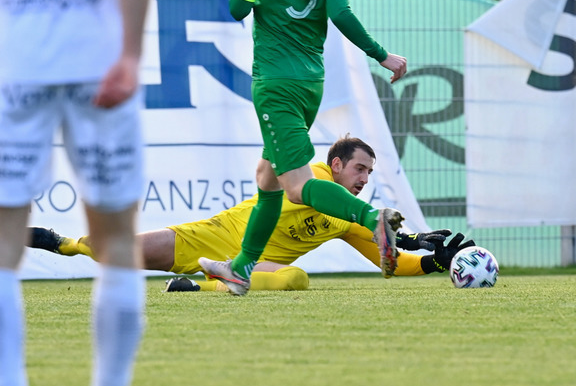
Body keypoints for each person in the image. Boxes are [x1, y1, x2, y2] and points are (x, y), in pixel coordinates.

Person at [0, 0, 158, 386]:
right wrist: (131, 53)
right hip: (98, 61)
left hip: (17, 63)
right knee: (116, 240)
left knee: (2, 246)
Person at [200, 0, 408, 298]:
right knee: (267, 178)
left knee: (295, 187)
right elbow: (339, 13)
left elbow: (238, 9)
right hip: (310, 84)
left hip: (275, 83)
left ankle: (373, 220)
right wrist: (381, 55)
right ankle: (241, 268)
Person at [28, 137, 474, 291]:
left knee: (295, 280)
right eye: (360, 168)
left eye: (370, 172)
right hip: (211, 236)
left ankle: (199, 286)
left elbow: (387, 263)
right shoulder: (312, 176)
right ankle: (63, 243)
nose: (364, 177)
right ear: (336, 164)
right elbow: (318, 196)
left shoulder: (349, 217)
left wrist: (431, 261)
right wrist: (397, 231)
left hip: (259, 264)